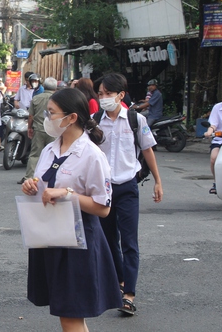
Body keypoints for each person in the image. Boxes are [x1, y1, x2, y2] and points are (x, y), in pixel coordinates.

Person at [20, 88, 121, 331]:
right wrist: (32, 186)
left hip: (78, 241)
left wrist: (67, 194)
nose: (47, 118)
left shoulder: (91, 155)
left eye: (52, 113)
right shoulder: (50, 149)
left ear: (72, 117)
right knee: (67, 314)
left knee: (71, 315)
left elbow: (103, 207)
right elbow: (44, 186)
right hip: (50, 235)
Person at [95, 73, 163, 316]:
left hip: (127, 188)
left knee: (129, 242)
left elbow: (147, 150)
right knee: (109, 240)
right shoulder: (94, 122)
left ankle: (129, 294)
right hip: (103, 190)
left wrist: (157, 181)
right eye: (100, 94)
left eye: (107, 94)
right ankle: (120, 281)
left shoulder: (136, 120)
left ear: (120, 95)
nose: (103, 98)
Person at [18, 77, 57, 185]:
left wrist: (30, 128)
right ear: (55, 87)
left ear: (44, 86)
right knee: (54, 154)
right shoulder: (58, 99)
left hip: (39, 129)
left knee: (35, 154)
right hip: (54, 130)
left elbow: (31, 116)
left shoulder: (36, 98)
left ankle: (28, 177)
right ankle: (50, 177)